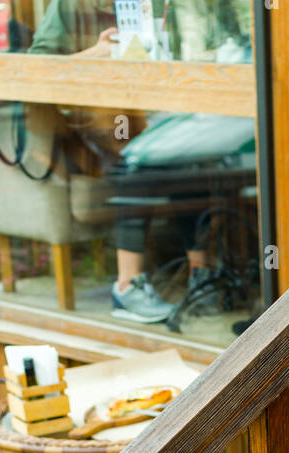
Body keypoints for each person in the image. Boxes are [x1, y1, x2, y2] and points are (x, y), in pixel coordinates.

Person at [28, 0, 210, 323]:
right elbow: (35, 68)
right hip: (89, 129)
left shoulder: (161, 5)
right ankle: (127, 288)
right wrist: (95, 56)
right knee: (140, 163)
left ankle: (202, 279)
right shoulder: (72, 6)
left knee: (189, 161)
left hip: (149, 117)